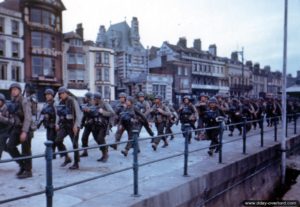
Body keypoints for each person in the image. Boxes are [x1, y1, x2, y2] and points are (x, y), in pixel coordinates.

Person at [6, 83, 34, 178]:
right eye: (12, 90)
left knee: (26, 150)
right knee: (10, 146)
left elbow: (28, 117)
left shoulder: (24, 100)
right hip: (17, 128)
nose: (13, 91)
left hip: (26, 128)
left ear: (19, 90)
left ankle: (28, 171)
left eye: (15, 89)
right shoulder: (13, 101)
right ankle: (22, 165)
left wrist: (24, 131)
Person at [55, 87, 82, 170]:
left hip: (73, 125)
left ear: (66, 93)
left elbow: (78, 114)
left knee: (75, 144)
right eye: (60, 94)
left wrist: (76, 125)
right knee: (58, 140)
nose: (61, 95)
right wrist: (57, 123)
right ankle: (66, 157)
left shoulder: (72, 100)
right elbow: (58, 114)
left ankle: (76, 163)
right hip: (64, 125)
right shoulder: (60, 102)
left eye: (63, 93)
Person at [91, 92, 115, 162]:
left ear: (98, 99)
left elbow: (112, 113)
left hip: (103, 125)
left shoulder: (105, 104)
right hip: (95, 125)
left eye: (94, 99)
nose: (93, 100)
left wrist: (103, 112)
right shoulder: (94, 105)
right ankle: (104, 152)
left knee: (100, 138)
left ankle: (105, 155)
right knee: (97, 139)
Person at [37, 89, 57, 158]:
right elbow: (42, 114)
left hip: (53, 124)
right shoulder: (45, 104)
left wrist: (50, 115)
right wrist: (38, 123)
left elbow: (57, 114)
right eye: (46, 95)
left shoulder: (55, 104)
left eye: (49, 95)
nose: (47, 96)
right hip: (47, 124)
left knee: (52, 139)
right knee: (48, 138)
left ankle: (51, 153)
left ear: (52, 95)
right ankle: (51, 153)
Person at [79, 92, 93, 157]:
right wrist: (82, 123)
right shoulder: (86, 105)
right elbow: (84, 116)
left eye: (86, 97)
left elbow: (96, 114)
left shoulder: (94, 104)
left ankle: (105, 153)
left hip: (94, 124)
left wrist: (90, 111)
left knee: (98, 139)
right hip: (88, 125)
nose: (85, 98)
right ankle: (85, 152)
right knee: (84, 138)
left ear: (88, 98)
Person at [0, 93, 13, 160]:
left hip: (5, 131)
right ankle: (16, 155)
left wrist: (1, 118)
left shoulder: (7, 108)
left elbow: (11, 121)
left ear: (2, 101)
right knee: (5, 147)